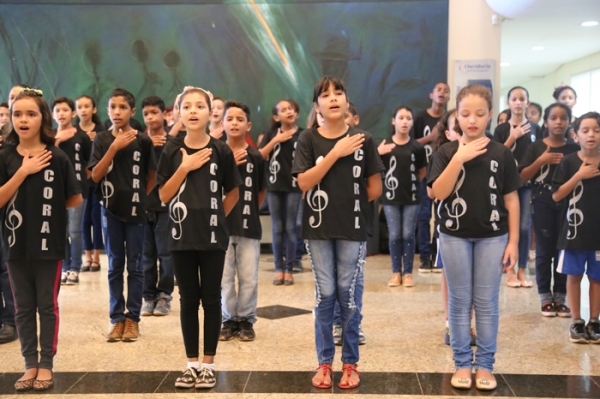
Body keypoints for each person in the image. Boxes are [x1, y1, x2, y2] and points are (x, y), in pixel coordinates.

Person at [292, 76, 383, 390]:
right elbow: (304, 182)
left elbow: (374, 187)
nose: (333, 98)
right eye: (325, 95)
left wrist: (348, 202)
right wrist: (335, 153)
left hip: (353, 229)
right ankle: (324, 362)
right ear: (316, 105)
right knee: (325, 295)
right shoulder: (308, 139)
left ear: (346, 101)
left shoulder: (364, 139)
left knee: (349, 296)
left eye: (339, 92)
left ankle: (350, 363)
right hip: (317, 229)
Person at [429, 84, 521, 391]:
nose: (472, 120)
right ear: (456, 116)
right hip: (453, 235)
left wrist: (513, 242)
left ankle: (485, 364)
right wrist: (459, 157)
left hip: (492, 236)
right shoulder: (445, 152)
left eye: (479, 114)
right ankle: (461, 364)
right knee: (459, 301)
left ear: (490, 115)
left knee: (486, 301)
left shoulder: (501, 153)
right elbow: (438, 193)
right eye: (465, 114)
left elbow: (511, 200)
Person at [157, 86, 241, 388]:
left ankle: (209, 363)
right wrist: (185, 167)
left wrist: (217, 215)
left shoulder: (221, 150)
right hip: (180, 236)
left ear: (210, 112)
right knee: (188, 299)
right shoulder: (171, 150)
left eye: (199, 106)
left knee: (211, 297)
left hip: (212, 237)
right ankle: (191, 363)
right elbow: (163, 195)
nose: (193, 111)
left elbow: (233, 191)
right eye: (187, 106)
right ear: (178, 113)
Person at [0, 88, 82, 390]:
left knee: (47, 306)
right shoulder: (5, 157)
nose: (23, 119)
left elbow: (74, 198)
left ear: (42, 118)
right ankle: (29, 365)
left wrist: (43, 212)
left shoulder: (57, 156)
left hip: (49, 246)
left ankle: (45, 364)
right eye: (17, 114)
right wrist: (23, 172)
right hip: (14, 244)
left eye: (31, 114)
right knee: (22, 307)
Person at [89, 88, 156, 342]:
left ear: (132, 111)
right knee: (115, 266)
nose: (117, 112)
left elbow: (151, 176)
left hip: (137, 212)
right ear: (107, 110)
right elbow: (95, 176)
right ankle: (116, 319)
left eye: (123, 107)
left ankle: (133, 319)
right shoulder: (102, 139)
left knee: (136, 266)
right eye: (113, 107)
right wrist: (115, 147)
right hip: (110, 210)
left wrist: (139, 197)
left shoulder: (144, 140)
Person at [520, 103, 579, 317]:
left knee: (564, 248)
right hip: (542, 199)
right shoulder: (536, 147)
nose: (558, 122)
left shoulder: (574, 148)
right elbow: (522, 177)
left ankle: (561, 296)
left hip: (569, 202)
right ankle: (545, 296)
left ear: (569, 121)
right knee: (545, 249)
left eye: (563, 118)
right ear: (546, 122)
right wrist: (541, 160)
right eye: (553, 118)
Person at [219, 100, 266, 342]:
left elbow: (260, 191)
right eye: (230, 119)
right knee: (225, 277)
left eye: (239, 119)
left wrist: (249, 212)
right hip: (221, 228)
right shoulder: (216, 153)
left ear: (248, 125)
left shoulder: (256, 156)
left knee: (248, 276)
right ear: (222, 123)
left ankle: (246, 319)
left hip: (249, 227)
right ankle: (228, 319)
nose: (234, 123)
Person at [553, 112, 600, 344]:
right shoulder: (569, 162)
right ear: (576, 134)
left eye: (596, 130)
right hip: (574, 231)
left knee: (597, 278)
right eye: (585, 130)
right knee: (574, 275)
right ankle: (576, 321)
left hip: (598, 233)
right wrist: (579, 175)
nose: (591, 135)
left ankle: (594, 320)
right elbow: (557, 194)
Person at [493, 86, 540, 288]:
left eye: (522, 99)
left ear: (527, 102)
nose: (518, 102)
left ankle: (522, 270)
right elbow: (496, 154)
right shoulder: (501, 129)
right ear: (508, 102)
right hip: (505, 184)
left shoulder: (536, 128)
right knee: (507, 225)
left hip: (528, 184)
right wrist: (514, 136)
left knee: (524, 226)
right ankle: (509, 270)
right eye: (514, 99)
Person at [332, 102, 367, 346]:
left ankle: (353, 324)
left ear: (355, 120)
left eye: (347, 116)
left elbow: (373, 186)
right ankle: (336, 324)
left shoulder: (364, 145)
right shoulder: (323, 144)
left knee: (354, 278)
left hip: (355, 222)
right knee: (331, 280)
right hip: (328, 221)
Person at [380, 105, 426, 288]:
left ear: (412, 122)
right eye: (401, 118)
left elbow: (422, 172)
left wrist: (411, 184)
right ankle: (395, 272)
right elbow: (375, 167)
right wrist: (377, 152)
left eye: (408, 118)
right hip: (390, 198)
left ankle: (408, 273)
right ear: (394, 121)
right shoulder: (385, 144)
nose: (405, 121)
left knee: (408, 234)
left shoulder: (417, 147)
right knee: (394, 235)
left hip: (412, 198)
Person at [258, 99, 303, 285]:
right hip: (275, 186)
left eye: (291, 108)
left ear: (296, 113)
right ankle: (278, 269)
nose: (288, 112)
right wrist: (276, 139)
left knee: (291, 228)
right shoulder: (271, 134)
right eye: (283, 110)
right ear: (277, 117)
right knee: (278, 228)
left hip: (294, 186)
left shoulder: (303, 134)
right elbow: (261, 156)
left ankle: (289, 268)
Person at [139, 96, 174, 317]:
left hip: (166, 206)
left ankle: (164, 295)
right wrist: (146, 146)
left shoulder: (173, 142)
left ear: (164, 115)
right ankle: (148, 296)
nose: (150, 117)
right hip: (143, 206)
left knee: (166, 253)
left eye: (154, 112)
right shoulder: (139, 141)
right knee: (146, 255)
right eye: (146, 114)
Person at [0, 83, 29, 345]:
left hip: (10, 213)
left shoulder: (14, 142)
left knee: (5, 268)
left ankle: (10, 320)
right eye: (11, 99)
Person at [52, 97, 92, 285]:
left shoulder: (81, 136)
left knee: (75, 230)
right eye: (57, 110)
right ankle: (65, 267)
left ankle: (75, 268)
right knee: (61, 231)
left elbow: (89, 164)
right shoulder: (49, 137)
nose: (61, 114)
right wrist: (58, 140)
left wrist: (81, 182)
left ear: (73, 113)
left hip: (77, 190)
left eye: (65, 110)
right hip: (54, 191)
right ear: (52, 115)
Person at [413, 82, 450, 273]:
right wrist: (430, 138)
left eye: (446, 91)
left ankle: (437, 256)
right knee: (424, 216)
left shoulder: (449, 119)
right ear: (431, 94)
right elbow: (410, 144)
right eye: (439, 90)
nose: (442, 93)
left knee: (441, 217)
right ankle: (424, 257)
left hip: (444, 174)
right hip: (423, 174)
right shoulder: (420, 118)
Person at [76, 95, 104, 272]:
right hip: (80, 183)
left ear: (94, 109)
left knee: (97, 218)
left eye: (87, 106)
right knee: (83, 221)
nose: (83, 110)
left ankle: (96, 257)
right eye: (80, 106)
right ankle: (86, 257)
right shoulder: (72, 131)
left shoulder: (101, 130)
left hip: (98, 181)